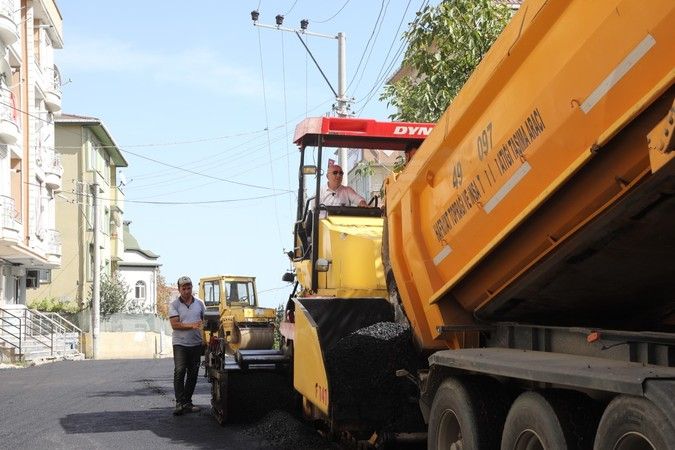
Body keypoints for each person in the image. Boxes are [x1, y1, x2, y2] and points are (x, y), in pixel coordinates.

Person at [169, 276, 206, 416]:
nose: (186, 290)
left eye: (188, 287)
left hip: (196, 343)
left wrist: (207, 337)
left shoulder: (200, 303)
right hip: (180, 344)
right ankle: (179, 403)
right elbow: (175, 325)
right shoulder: (174, 305)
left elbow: (205, 320)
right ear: (179, 289)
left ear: (192, 288)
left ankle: (187, 402)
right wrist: (192, 325)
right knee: (180, 371)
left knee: (193, 373)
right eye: (183, 288)